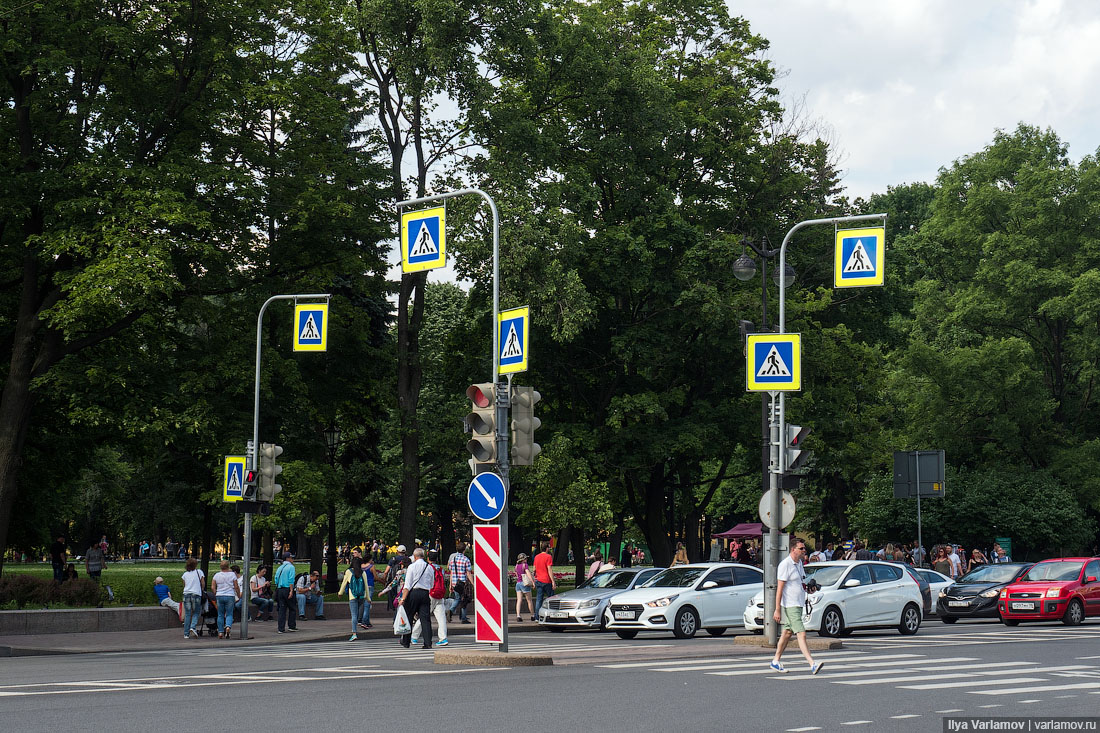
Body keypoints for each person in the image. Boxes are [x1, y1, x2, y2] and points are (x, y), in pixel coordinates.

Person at [770, 538, 823, 675]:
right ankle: (812, 663)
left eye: (804, 548)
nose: (804, 550)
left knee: (787, 633)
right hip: (791, 605)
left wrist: (809, 590)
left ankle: (775, 661)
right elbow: (779, 589)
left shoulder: (799, 563)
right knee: (801, 633)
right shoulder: (785, 565)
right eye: (801, 548)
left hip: (798, 604)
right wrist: (777, 609)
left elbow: (799, 584)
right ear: (793, 549)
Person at [411, 549, 449, 646]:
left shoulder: (428, 567)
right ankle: (443, 638)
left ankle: (414, 636)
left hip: (431, 594)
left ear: (428, 558)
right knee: (441, 618)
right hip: (440, 595)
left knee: (424, 616)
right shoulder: (441, 569)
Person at [399, 548, 435, 649]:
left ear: (415, 557)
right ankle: (428, 643)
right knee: (425, 619)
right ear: (423, 556)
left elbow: (407, 585)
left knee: (409, 616)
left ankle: (406, 641)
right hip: (425, 593)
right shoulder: (429, 567)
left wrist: (403, 599)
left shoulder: (412, 567)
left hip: (413, 593)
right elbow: (431, 584)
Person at [339, 556, 370, 641]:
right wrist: (368, 598)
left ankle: (354, 633)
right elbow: (366, 586)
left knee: (354, 615)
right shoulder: (363, 572)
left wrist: (340, 593)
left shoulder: (349, 572)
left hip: (352, 596)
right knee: (357, 614)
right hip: (362, 596)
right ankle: (358, 627)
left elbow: (344, 583)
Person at [211, 560, 239, 639]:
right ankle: (228, 626)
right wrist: (238, 594)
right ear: (228, 566)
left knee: (220, 614)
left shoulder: (216, 575)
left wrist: (215, 593)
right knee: (229, 613)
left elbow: (213, 587)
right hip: (230, 595)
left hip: (219, 595)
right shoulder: (232, 574)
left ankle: (220, 632)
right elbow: (236, 586)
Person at [273, 551, 298, 633]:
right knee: (292, 608)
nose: (292, 559)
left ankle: (281, 628)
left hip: (280, 589)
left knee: (282, 609)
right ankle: (291, 626)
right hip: (287, 589)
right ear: (288, 558)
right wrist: (291, 591)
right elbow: (291, 580)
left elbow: (276, 579)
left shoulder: (280, 567)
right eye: (291, 557)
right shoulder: (291, 567)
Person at [448, 541, 472, 623]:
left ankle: (451, 611)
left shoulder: (453, 559)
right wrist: (473, 583)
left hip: (455, 583)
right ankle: (463, 618)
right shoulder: (466, 559)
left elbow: (451, 572)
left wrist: (450, 584)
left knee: (457, 598)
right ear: (464, 550)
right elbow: (468, 573)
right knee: (464, 600)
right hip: (463, 583)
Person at [181, 558, 205, 639]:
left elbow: (184, 585)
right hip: (196, 594)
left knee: (187, 614)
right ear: (195, 565)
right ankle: (193, 627)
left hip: (186, 594)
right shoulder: (199, 572)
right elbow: (202, 583)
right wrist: (201, 589)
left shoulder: (185, 574)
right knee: (196, 612)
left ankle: (186, 634)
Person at [533, 541, 556, 617]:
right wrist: (553, 581)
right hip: (547, 580)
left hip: (539, 580)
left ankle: (537, 616)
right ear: (546, 548)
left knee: (539, 599)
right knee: (551, 598)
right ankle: (551, 615)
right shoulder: (548, 557)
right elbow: (549, 569)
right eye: (549, 547)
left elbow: (534, 569)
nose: (549, 548)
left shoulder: (536, 557)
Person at [514, 553, 534, 622]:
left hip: (518, 584)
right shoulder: (525, 565)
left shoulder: (516, 566)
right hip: (524, 583)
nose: (526, 559)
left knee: (519, 600)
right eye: (526, 558)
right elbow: (528, 573)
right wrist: (533, 582)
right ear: (523, 559)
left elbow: (517, 575)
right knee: (529, 600)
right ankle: (532, 615)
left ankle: (518, 615)